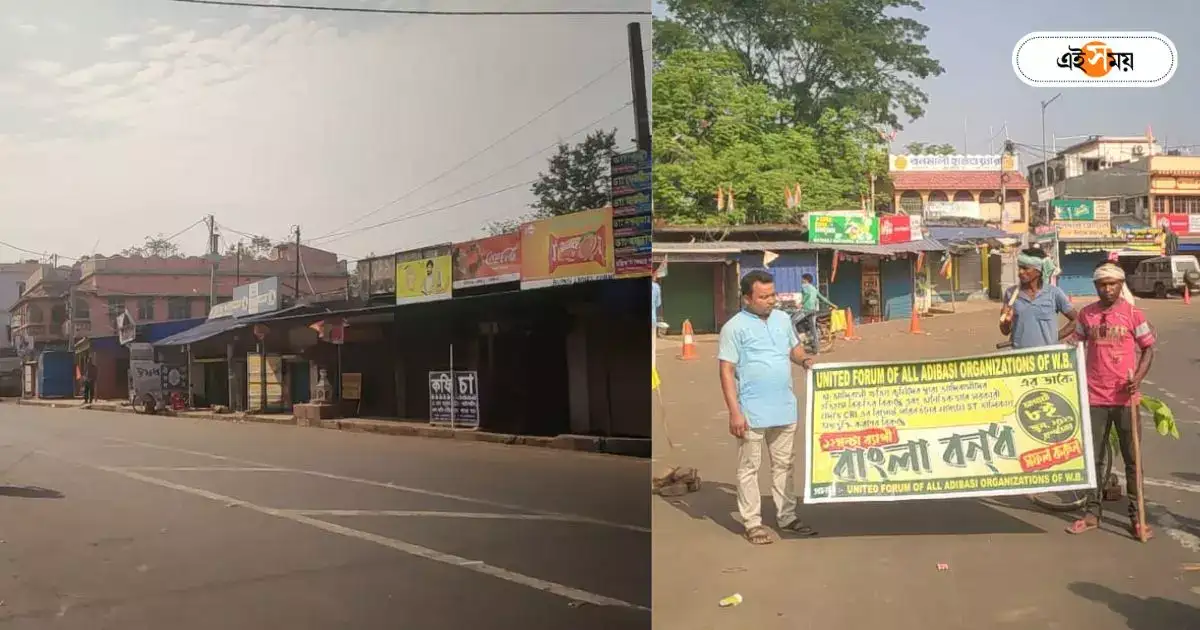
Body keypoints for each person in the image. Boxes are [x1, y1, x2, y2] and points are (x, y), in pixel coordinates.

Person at [718, 269, 817, 545]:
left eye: (772, 295)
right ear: (747, 298)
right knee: (749, 468)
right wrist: (734, 412)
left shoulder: (783, 319)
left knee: (784, 465)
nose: (771, 300)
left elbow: (793, 349)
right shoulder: (734, 328)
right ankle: (752, 523)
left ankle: (787, 517)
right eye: (763, 297)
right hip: (751, 412)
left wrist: (805, 361)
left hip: (785, 408)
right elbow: (726, 370)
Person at [1065, 261, 1156, 539]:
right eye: (1102, 285)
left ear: (1120, 285)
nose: (1107, 289)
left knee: (1132, 460)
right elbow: (1075, 345)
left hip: (1125, 399)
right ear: (1096, 286)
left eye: (1112, 284)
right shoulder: (1087, 315)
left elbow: (1148, 349)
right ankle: (1092, 513)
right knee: (1094, 459)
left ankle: (1136, 516)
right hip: (1094, 397)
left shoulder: (1133, 315)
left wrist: (1137, 378)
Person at [999, 248, 1077, 348]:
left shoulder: (1054, 293)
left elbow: (1076, 320)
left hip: (1047, 354)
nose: (1020, 272)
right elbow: (1005, 331)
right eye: (1019, 268)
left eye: (1026, 268)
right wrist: (1006, 322)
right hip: (1020, 354)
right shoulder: (1010, 294)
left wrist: (1055, 337)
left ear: (1038, 271)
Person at [797, 273, 836, 355]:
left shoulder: (804, 286)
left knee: (792, 322)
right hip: (813, 311)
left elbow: (807, 294)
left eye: (802, 279)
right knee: (813, 329)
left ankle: (797, 342)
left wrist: (801, 303)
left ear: (806, 280)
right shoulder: (814, 288)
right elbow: (823, 298)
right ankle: (817, 350)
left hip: (806, 310)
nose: (801, 280)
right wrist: (832, 305)